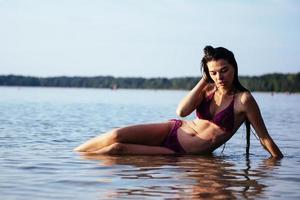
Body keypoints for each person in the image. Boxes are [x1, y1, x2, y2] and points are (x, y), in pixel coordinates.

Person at [74, 46, 283, 158]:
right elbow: (182, 111)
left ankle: (78, 166)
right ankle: (73, 158)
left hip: (182, 152)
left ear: (234, 67)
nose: (219, 77)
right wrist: (204, 80)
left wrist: (279, 164)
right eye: (214, 73)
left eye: (224, 71)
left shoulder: (243, 100)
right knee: (115, 134)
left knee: (117, 149)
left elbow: (265, 139)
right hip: (173, 129)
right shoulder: (208, 88)